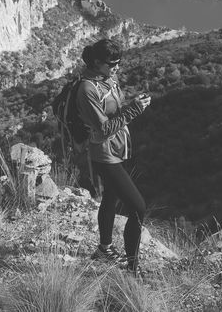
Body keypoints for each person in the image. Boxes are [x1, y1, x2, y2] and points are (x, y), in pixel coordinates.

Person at [76, 38, 152, 274]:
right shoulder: (87, 88)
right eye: (112, 64)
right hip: (103, 154)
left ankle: (104, 249)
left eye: (118, 62)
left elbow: (114, 111)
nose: (116, 67)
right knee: (138, 208)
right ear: (97, 62)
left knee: (110, 196)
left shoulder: (108, 78)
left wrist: (133, 104)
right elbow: (103, 129)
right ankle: (132, 268)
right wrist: (134, 110)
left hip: (118, 149)